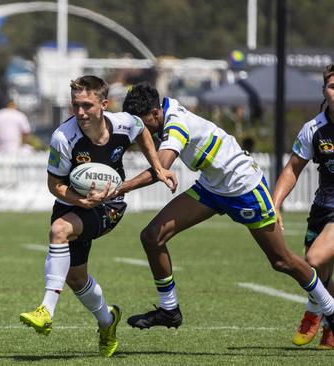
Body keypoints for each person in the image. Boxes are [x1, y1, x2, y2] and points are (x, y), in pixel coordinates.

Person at [120, 82, 334, 335]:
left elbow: (161, 169)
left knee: (281, 260)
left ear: (155, 114)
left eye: (143, 124)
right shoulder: (161, 111)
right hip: (212, 187)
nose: (141, 131)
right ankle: (169, 310)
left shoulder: (176, 124)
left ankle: (330, 309)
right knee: (152, 235)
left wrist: (119, 188)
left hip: (244, 188)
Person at [18, 75, 177, 357]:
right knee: (76, 278)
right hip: (73, 200)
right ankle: (107, 321)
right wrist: (82, 200)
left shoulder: (123, 123)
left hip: (110, 204)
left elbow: (141, 131)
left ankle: (46, 310)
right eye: (76, 105)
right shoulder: (63, 138)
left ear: (104, 104)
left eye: (88, 105)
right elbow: (54, 185)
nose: (81, 112)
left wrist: (158, 167)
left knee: (59, 231)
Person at [272, 63, 334, 349]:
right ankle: (330, 327)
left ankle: (313, 311)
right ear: (324, 91)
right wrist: (275, 204)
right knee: (320, 267)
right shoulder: (314, 129)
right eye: (333, 87)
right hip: (322, 208)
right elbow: (292, 169)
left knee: (315, 260)